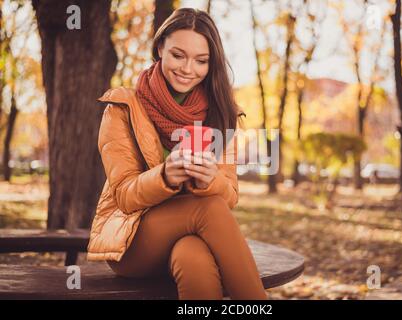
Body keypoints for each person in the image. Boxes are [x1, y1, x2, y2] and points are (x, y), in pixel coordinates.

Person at [87, 8, 267, 300]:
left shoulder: (221, 112)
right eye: (178, 55)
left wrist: (211, 181)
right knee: (208, 208)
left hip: (190, 237)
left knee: (193, 257)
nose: (188, 69)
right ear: (160, 49)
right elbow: (124, 196)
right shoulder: (123, 107)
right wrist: (165, 176)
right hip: (134, 243)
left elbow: (230, 195)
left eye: (201, 60)